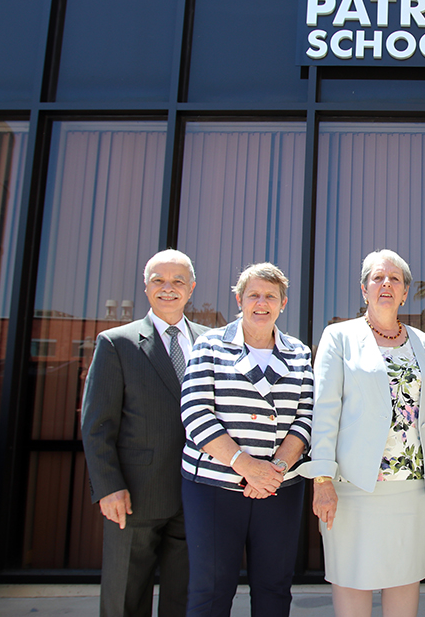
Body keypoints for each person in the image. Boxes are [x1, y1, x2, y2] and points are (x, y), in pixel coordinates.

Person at [304, 250, 425, 617]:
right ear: (364, 289)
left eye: (395, 279)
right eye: (377, 278)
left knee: (404, 586)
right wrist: (321, 479)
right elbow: (325, 409)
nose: (386, 285)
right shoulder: (339, 337)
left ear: (406, 292)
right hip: (353, 489)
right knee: (352, 585)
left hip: (412, 489)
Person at [179, 263, 313, 617]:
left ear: (283, 303)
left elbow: (306, 418)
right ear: (239, 300)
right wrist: (247, 467)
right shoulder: (209, 346)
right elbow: (196, 413)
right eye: (253, 295)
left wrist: (276, 469)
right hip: (214, 488)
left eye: (271, 296)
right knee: (211, 590)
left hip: (279, 489)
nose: (261, 303)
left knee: (274, 588)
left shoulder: (299, 353)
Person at [81, 249, 208, 617]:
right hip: (135, 496)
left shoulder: (212, 342)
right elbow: (97, 425)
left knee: (183, 598)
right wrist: (107, 486)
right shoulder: (116, 343)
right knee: (126, 596)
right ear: (146, 286)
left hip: (196, 493)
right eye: (159, 281)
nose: (168, 289)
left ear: (191, 288)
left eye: (177, 281)